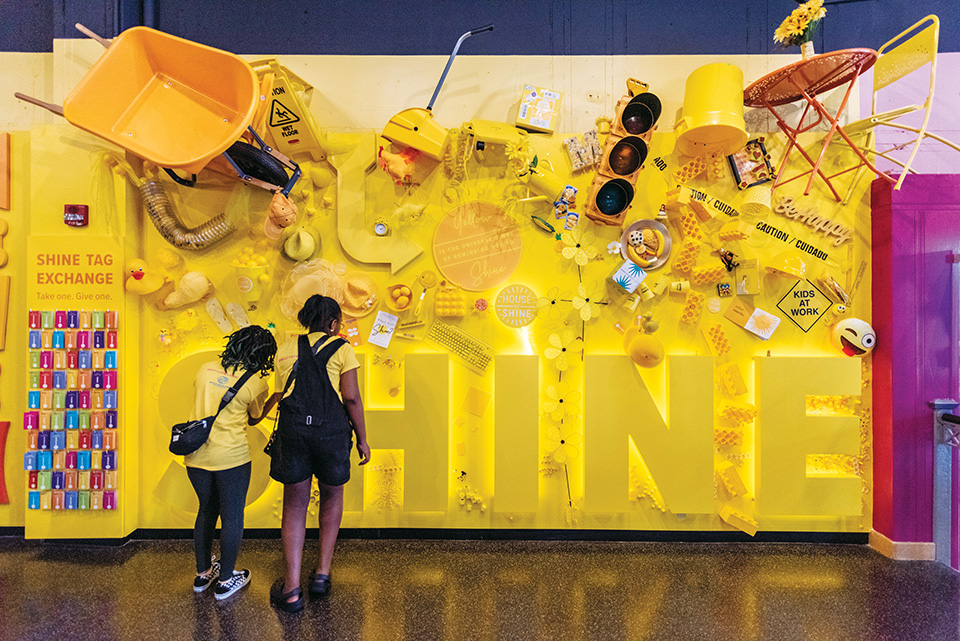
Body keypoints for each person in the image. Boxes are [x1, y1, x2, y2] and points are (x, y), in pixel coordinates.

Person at [268, 294, 370, 612]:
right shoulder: (342, 348)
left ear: (305, 320)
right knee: (332, 496)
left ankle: (292, 589)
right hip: (331, 434)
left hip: (294, 432)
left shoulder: (285, 348)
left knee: (295, 506)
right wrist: (364, 439)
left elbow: (280, 393)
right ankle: (322, 575)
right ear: (333, 323)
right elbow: (351, 398)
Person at [185, 325, 277, 601]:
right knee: (232, 515)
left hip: (196, 454)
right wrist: (274, 397)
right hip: (232, 458)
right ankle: (226, 580)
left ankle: (203, 575)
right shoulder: (256, 382)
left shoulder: (205, 368)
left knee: (206, 510)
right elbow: (254, 418)